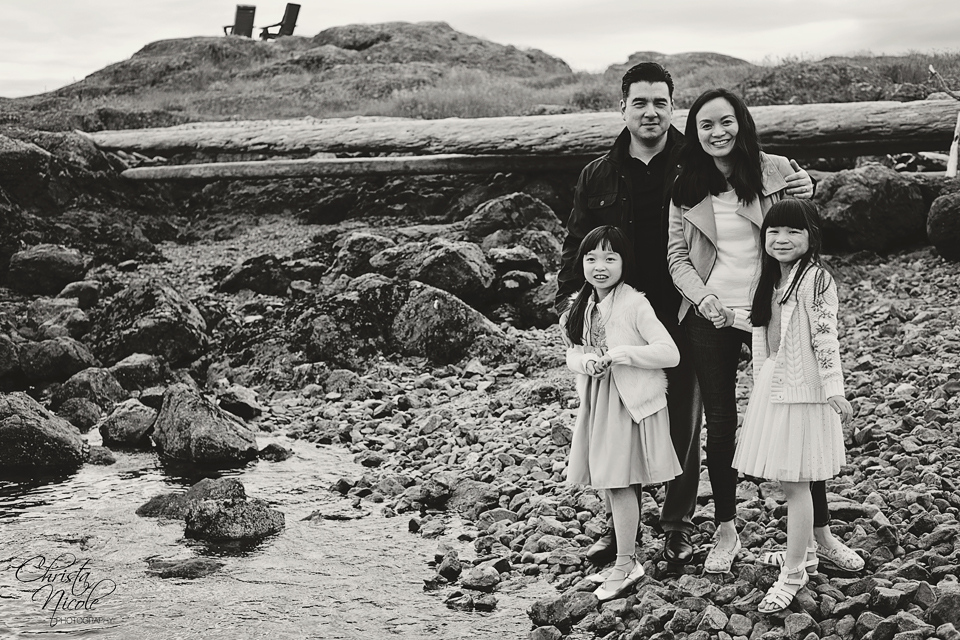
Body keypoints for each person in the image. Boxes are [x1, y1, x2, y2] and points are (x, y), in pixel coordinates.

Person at [555, 62, 812, 568]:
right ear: (622, 108)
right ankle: (620, 528)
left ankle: (677, 524)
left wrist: (803, 183)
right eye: (639, 102)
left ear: (673, 107)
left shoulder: (692, 159)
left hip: (682, 304)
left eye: (660, 102)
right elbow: (576, 242)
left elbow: (758, 170)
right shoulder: (597, 173)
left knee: (684, 421)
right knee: (617, 417)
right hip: (619, 311)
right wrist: (570, 302)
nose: (650, 112)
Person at [667, 87, 862, 575]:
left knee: (799, 410)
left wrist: (809, 187)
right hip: (711, 314)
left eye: (726, 121)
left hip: (773, 309)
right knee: (721, 421)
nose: (717, 132)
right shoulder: (685, 185)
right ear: (694, 131)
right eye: (706, 124)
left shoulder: (775, 170)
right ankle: (726, 530)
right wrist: (702, 297)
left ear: (742, 123)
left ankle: (821, 535)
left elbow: (800, 227)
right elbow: (676, 256)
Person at [732, 199, 852, 612]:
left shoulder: (816, 279)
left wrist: (834, 388)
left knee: (796, 482)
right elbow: (765, 326)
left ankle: (794, 571)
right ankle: (809, 554)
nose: (781, 239)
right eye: (774, 232)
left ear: (811, 236)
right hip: (775, 384)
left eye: (793, 231)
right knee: (790, 481)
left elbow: (824, 336)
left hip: (803, 391)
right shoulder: (772, 278)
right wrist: (727, 317)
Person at [560, 225, 682, 601]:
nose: (600, 266)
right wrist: (587, 363)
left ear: (624, 263)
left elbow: (670, 353)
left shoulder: (635, 304)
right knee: (611, 481)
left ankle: (626, 563)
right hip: (599, 399)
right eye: (592, 258)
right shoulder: (580, 305)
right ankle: (624, 559)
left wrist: (622, 354)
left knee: (619, 482)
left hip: (629, 402)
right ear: (581, 263)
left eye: (610, 258)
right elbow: (572, 353)